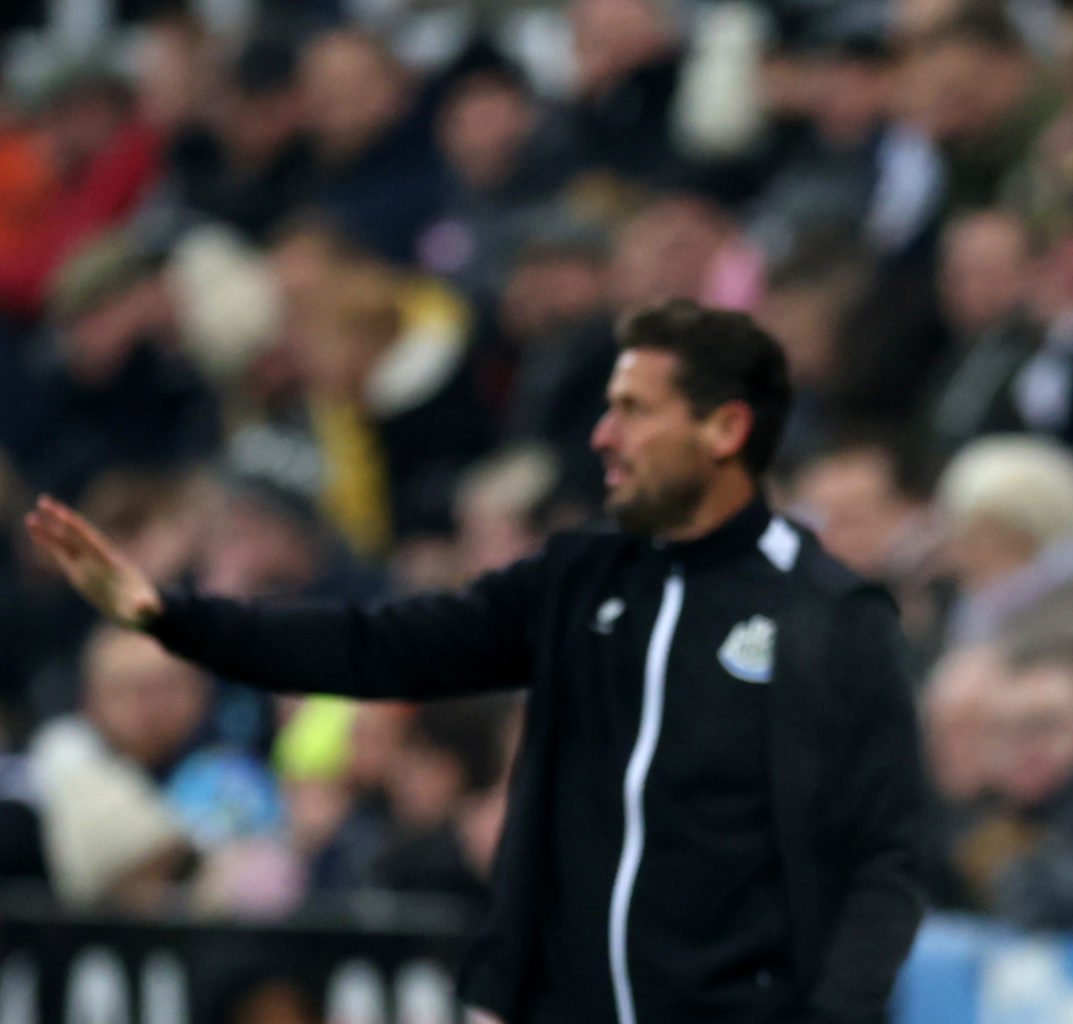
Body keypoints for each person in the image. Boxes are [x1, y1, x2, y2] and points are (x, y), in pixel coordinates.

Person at [26, 299, 927, 1024]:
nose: (602, 438)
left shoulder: (829, 615)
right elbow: (378, 647)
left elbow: (882, 859)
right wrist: (169, 619)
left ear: (726, 428)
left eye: (633, 412)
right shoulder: (580, 580)